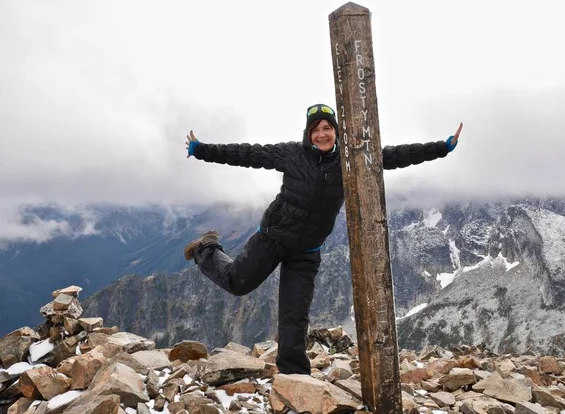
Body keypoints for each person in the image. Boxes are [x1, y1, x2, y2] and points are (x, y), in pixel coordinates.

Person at [183, 104, 462, 374]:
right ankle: (206, 247)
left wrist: (442, 147)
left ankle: (295, 380)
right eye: (315, 129)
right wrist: (202, 150)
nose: (321, 134)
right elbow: (245, 154)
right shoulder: (291, 154)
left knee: (295, 318)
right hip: (274, 238)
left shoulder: (351, 161)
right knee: (237, 282)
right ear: (308, 134)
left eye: (327, 128)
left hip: (307, 251)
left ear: (336, 132)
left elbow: (394, 156)